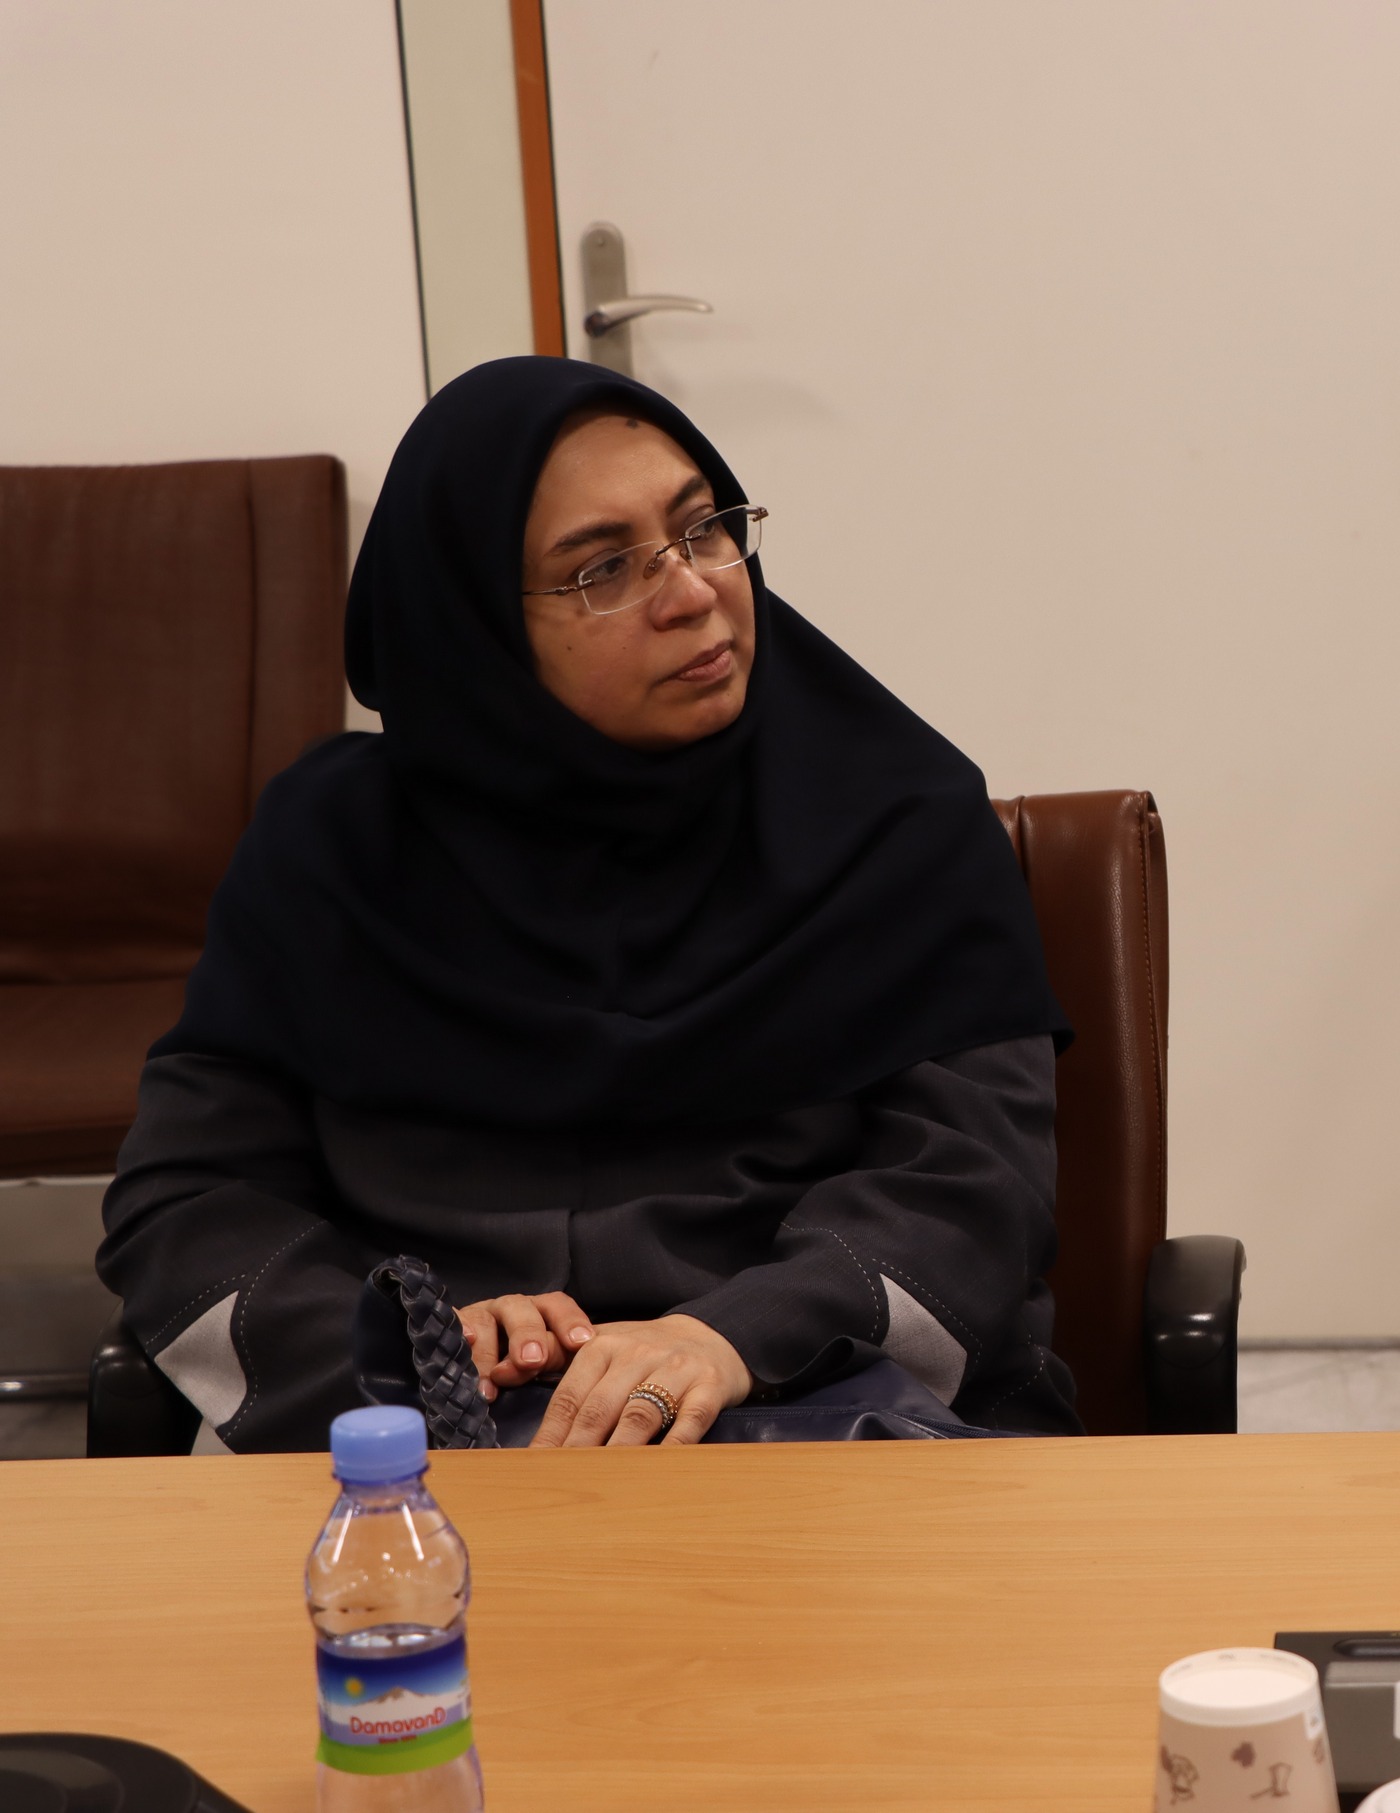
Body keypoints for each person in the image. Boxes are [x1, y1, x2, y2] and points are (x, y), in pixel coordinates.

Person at [97, 357, 1078, 1452]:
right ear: (473, 625)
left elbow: (973, 1187)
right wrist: (403, 1341)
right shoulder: (327, 853)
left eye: (703, 528)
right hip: (424, 1448)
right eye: (603, 568)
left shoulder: (893, 821)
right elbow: (189, 1199)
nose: (695, 592)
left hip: (809, 1419)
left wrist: (731, 1336)